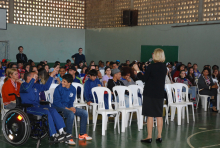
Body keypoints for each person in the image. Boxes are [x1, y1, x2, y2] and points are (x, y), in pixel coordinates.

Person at [20, 67, 72, 142]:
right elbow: (27, 89)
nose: (37, 77)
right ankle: (53, 135)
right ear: (28, 77)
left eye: (36, 76)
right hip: (29, 108)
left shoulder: (35, 85)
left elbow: (46, 87)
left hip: (38, 106)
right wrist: (33, 80)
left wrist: (51, 76)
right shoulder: (23, 85)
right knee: (47, 112)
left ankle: (61, 131)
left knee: (52, 109)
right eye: (34, 76)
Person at [134, 48, 166, 143]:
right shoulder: (164, 67)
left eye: (153, 54)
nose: (152, 55)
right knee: (159, 115)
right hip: (160, 93)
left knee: (150, 116)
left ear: (156, 55)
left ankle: (149, 137)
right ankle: (159, 136)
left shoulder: (152, 67)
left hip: (150, 93)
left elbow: (144, 79)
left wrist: (138, 71)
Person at [53, 74, 92, 145]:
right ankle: (68, 137)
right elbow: (56, 102)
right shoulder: (58, 88)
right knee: (70, 113)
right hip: (58, 108)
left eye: (64, 82)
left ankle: (82, 134)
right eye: (62, 81)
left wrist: (72, 108)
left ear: (69, 83)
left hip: (68, 108)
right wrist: (68, 109)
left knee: (84, 113)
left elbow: (71, 101)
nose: (62, 83)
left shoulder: (73, 89)